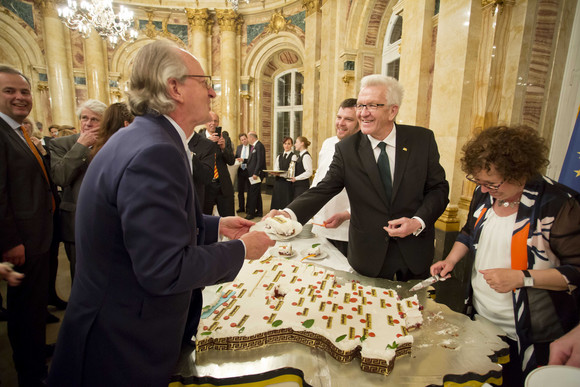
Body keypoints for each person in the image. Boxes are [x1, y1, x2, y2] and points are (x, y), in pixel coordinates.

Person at [47, 39, 274, 387]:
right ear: (174, 88)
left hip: (113, 327)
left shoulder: (144, 137)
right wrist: (243, 250)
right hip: (121, 345)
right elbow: (164, 269)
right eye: (204, 81)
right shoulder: (157, 151)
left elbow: (142, 227)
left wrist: (214, 226)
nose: (213, 92)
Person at [430, 126, 580, 385]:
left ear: (520, 172)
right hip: (481, 319)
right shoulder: (485, 195)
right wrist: (451, 259)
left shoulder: (559, 205)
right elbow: (468, 232)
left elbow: (576, 272)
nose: (485, 190)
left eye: (492, 183)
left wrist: (523, 278)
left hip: (532, 332)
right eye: (479, 182)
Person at [267, 74, 449, 281]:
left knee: (416, 310)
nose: (363, 113)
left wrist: (418, 221)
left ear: (393, 110)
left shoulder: (421, 140)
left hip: (415, 252)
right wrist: (288, 214)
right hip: (368, 255)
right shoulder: (347, 149)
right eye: (360, 106)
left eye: (372, 106)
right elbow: (324, 188)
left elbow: (439, 189)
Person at [0, 65, 56, 386]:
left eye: (24, 92)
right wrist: (10, 241)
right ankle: (31, 373)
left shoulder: (17, 132)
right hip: (21, 241)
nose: (20, 98)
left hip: (37, 236)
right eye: (10, 91)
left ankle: (35, 352)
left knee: (33, 306)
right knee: (23, 309)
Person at [49, 99, 106, 281]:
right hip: (76, 221)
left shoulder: (112, 143)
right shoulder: (62, 144)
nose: (88, 123)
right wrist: (81, 146)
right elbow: (60, 177)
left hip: (107, 219)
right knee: (80, 278)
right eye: (84, 118)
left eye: (95, 119)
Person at [310, 98, 359, 256]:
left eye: (349, 119)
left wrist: (346, 214)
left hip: (346, 230)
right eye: (339, 117)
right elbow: (319, 177)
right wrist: (307, 206)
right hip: (320, 224)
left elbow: (371, 194)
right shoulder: (328, 143)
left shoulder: (365, 150)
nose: (341, 123)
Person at [195, 111, 235, 216]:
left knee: (229, 218)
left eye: (215, 121)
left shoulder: (225, 137)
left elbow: (231, 161)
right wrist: (207, 143)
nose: (213, 123)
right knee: (204, 219)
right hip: (205, 186)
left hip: (223, 185)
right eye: (210, 120)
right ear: (205, 122)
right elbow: (195, 160)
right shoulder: (198, 139)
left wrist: (223, 148)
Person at [269, 137, 295, 210]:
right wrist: (275, 173)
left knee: (286, 202)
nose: (286, 146)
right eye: (285, 143)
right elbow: (276, 168)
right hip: (278, 182)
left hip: (287, 183)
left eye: (289, 144)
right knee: (277, 201)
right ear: (283, 145)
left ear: (292, 145)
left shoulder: (294, 156)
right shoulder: (279, 156)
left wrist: (280, 174)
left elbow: (291, 173)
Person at [245, 131, 266, 220]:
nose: (248, 139)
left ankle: (251, 213)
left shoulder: (259, 146)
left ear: (252, 138)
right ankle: (259, 211)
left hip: (255, 174)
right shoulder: (254, 146)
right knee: (256, 193)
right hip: (252, 174)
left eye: (248, 138)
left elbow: (259, 161)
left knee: (253, 193)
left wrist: (256, 173)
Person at [235, 133, 251, 213]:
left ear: (247, 138)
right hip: (241, 171)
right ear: (240, 141)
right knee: (240, 190)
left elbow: (252, 160)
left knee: (249, 190)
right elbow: (235, 157)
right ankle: (241, 207)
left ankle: (248, 208)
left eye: (245, 139)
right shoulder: (239, 148)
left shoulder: (252, 147)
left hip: (249, 171)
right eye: (242, 140)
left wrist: (244, 159)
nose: (244, 141)